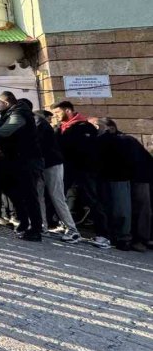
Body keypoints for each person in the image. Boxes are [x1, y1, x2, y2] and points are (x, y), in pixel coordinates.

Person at [0, 94, 44, 242]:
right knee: (14, 193)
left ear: (5, 102)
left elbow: (6, 131)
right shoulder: (11, 113)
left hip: (27, 161)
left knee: (29, 195)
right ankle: (24, 223)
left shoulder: (19, 114)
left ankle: (36, 229)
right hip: (14, 160)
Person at [54, 101, 110, 249]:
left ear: (68, 110)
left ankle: (103, 235)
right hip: (67, 169)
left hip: (85, 170)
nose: (56, 116)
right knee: (62, 197)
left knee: (92, 199)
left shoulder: (84, 127)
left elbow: (84, 149)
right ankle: (68, 227)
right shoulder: (61, 128)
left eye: (58, 112)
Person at [32, 108, 81, 243]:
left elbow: (39, 145)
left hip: (51, 165)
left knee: (56, 196)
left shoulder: (38, 124)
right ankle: (43, 226)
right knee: (40, 195)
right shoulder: (40, 124)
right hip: (44, 165)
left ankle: (72, 230)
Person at [94, 117, 134, 251]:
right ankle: (114, 236)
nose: (96, 128)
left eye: (97, 126)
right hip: (106, 178)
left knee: (121, 210)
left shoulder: (120, 140)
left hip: (119, 178)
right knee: (108, 208)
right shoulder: (103, 140)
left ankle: (123, 238)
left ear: (109, 128)